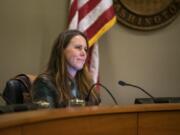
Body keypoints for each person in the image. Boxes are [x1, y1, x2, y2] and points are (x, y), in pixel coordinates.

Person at [31, 29, 101, 108]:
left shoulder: (87, 83)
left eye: (85, 49)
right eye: (78, 47)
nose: (84, 53)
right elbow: (47, 118)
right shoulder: (44, 83)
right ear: (61, 50)